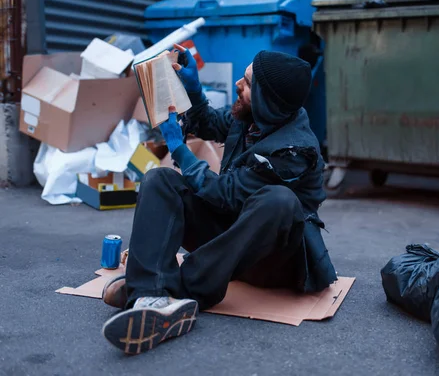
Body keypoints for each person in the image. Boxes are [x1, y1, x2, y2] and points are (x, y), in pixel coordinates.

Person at [101, 44, 337, 355]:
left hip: (272, 259)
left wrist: (179, 148)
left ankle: (182, 289)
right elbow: (210, 122)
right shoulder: (253, 116)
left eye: (248, 82)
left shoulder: (295, 150)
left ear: (268, 101)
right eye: (243, 77)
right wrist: (194, 89)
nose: (239, 85)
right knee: (160, 179)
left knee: (280, 200)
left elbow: (225, 194)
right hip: (229, 243)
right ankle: (149, 294)